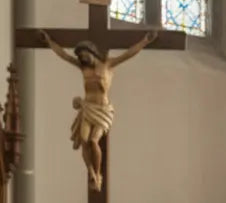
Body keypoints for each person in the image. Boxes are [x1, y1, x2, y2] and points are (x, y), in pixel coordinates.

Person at [39, 29, 156, 191]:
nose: (82, 59)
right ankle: (91, 172)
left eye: (84, 55)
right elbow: (64, 56)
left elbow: (128, 54)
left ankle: (98, 173)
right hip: (87, 108)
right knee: (84, 141)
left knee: (94, 141)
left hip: (103, 110)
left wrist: (144, 42)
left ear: (92, 52)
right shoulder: (83, 68)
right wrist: (50, 42)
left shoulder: (108, 64)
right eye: (80, 57)